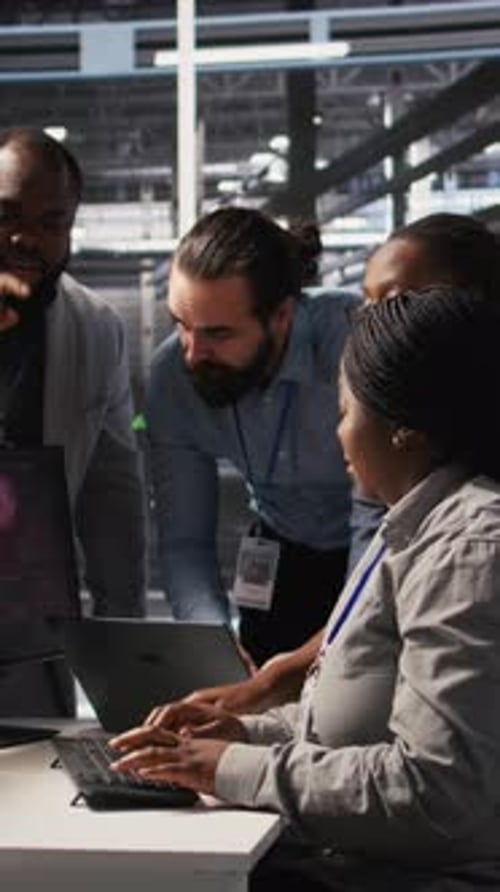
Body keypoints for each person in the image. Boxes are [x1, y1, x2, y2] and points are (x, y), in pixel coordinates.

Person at [111, 285, 500, 891]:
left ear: (404, 429)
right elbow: (353, 726)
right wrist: (244, 733)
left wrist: (237, 770)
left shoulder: (466, 553)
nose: (337, 433)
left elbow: (436, 791)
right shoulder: (413, 526)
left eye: (345, 411)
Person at [178, 210, 500, 714]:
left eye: (392, 303)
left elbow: (436, 773)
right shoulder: (401, 445)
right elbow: (370, 585)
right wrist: (268, 690)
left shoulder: (476, 532)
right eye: (365, 306)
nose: (367, 328)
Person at [146, 207, 360, 665]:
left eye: (218, 333)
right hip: (277, 548)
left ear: (281, 316)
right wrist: (213, 647)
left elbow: (381, 516)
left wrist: (326, 652)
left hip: (370, 544)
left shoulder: (350, 340)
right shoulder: (171, 376)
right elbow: (185, 540)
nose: (193, 354)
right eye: (181, 325)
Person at [0, 127, 146, 716]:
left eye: (50, 222)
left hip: (34, 626)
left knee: (36, 791)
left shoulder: (95, 329)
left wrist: (124, 656)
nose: (24, 238)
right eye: (6, 214)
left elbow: (113, 498)